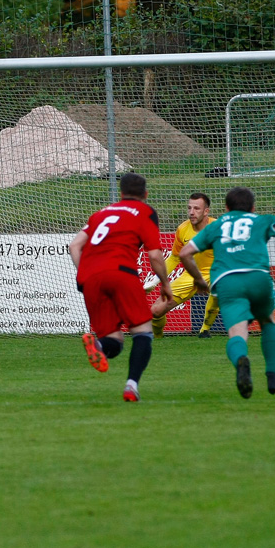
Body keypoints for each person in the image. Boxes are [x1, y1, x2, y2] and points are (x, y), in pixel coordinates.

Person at [180, 186, 275, 399]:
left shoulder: (216, 225)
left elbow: (185, 253)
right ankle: (273, 375)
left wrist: (199, 280)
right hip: (258, 278)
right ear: (253, 207)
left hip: (228, 282)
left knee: (237, 334)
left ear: (227, 208)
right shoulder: (261, 220)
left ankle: (241, 359)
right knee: (267, 322)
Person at [69, 172, 173, 402]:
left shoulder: (101, 213)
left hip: (91, 278)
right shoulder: (145, 212)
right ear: (145, 195)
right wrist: (165, 284)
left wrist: (83, 275)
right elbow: (155, 254)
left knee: (114, 342)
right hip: (121, 273)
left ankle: (96, 344)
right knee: (143, 332)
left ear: (121, 193)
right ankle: (131, 385)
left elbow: (75, 245)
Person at [144, 192, 221, 338]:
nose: (191, 212)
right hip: (191, 275)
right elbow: (174, 258)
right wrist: (154, 281)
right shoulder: (182, 229)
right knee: (155, 311)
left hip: (217, 272)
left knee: (218, 289)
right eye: (189, 208)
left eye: (197, 209)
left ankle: (205, 330)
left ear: (206, 211)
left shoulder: (218, 228)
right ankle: (158, 340)